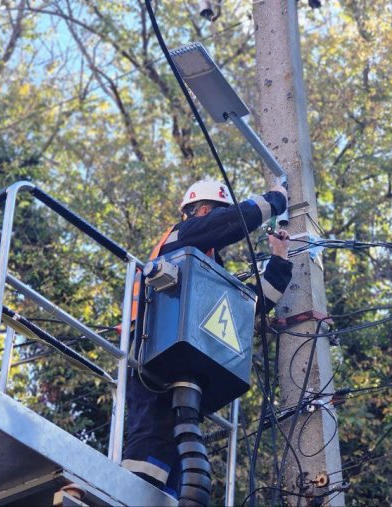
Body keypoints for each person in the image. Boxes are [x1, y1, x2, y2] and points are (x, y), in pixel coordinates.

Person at [122, 178, 292, 497]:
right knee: (154, 430)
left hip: (185, 358)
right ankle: (131, 494)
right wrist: (276, 200)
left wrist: (280, 261)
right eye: (216, 213)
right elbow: (231, 222)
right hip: (151, 347)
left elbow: (251, 305)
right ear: (201, 211)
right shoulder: (182, 236)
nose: (219, 225)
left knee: (179, 442)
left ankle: (167, 497)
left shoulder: (209, 267)